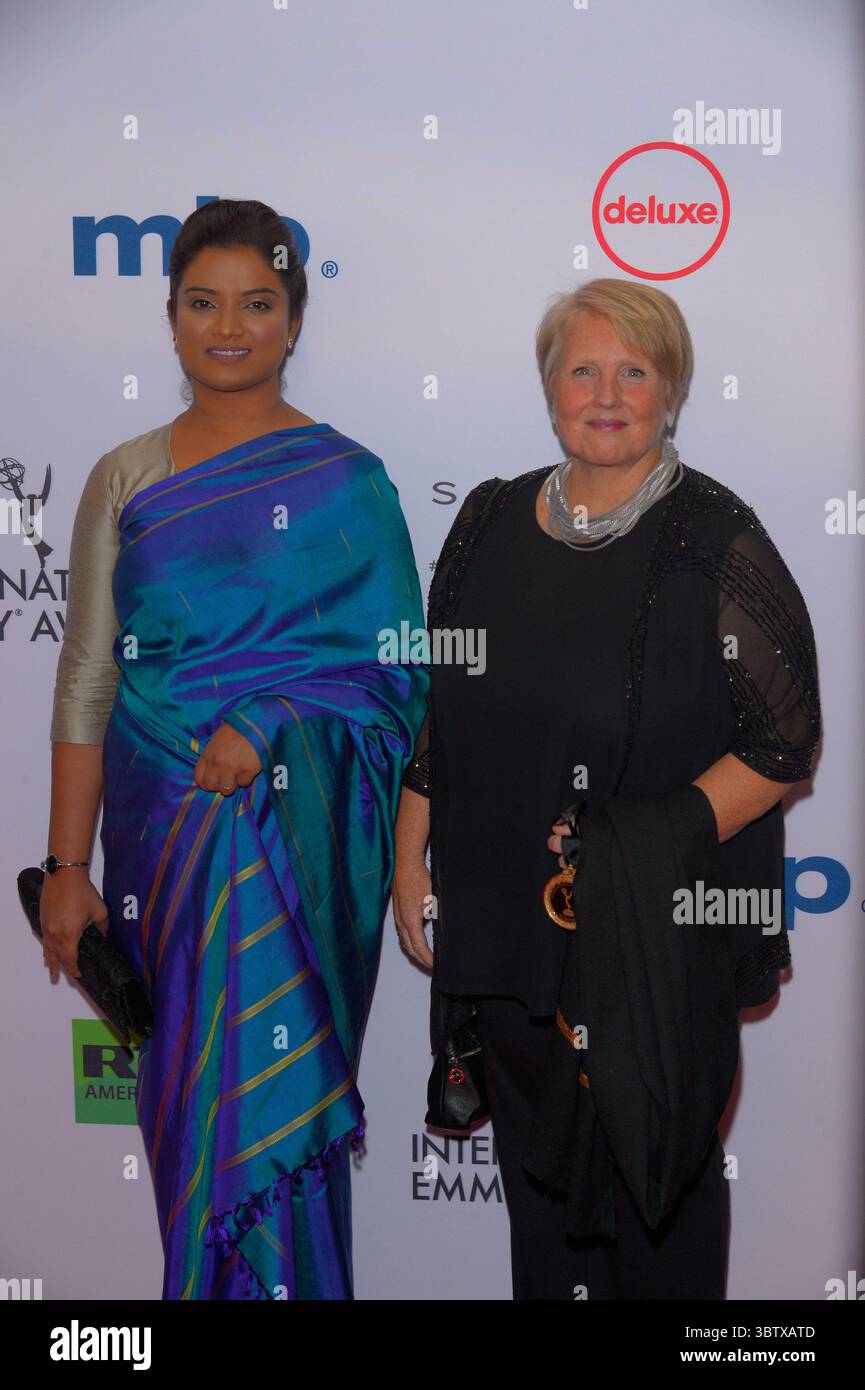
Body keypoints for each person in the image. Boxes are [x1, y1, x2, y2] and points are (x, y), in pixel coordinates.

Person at [393, 277, 820, 1300]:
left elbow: (782, 741)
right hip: (503, 939)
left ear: (669, 393)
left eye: (635, 370)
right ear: (549, 391)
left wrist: (630, 847)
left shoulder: (717, 539)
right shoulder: (487, 520)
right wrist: (409, 860)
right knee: (540, 1216)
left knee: (658, 1213)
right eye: (582, 369)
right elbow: (440, 711)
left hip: (650, 951)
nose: (607, 392)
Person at [43, 198, 429, 1300]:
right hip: (162, 853)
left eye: (257, 303)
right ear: (168, 318)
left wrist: (267, 725)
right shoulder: (125, 476)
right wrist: (66, 871)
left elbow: (399, 671)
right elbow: (87, 674)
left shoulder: (349, 482)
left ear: (294, 318)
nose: (229, 326)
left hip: (290, 865)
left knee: (275, 1128)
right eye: (203, 303)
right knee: (192, 1139)